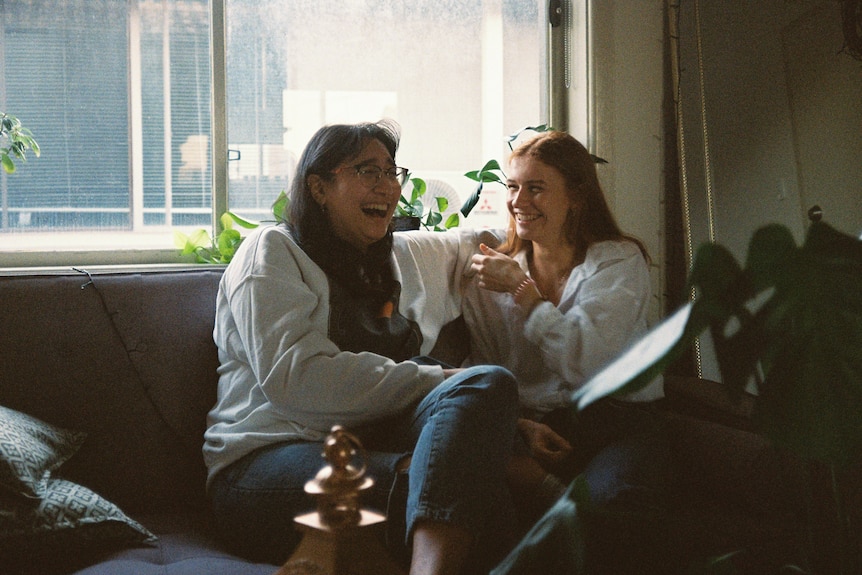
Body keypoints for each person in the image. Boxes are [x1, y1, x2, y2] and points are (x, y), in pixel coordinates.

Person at [203, 120, 521, 575]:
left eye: (392, 173)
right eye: (367, 171)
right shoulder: (271, 251)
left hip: (367, 447)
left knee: (488, 384)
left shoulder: (399, 257)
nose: (387, 187)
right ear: (319, 187)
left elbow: (481, 242)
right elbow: (298, 381)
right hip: (264, 462)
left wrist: (532, 276)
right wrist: (437, 377)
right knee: (471, 498)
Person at [461, 130, 668, 507]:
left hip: (616, 422)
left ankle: (567, 505)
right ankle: (555, 500)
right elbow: (488, 369)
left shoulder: (616, 262)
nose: (518, 201)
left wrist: (524, 293)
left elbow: (589, 364)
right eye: (512, 187)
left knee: (611, 501)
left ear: (575, 196)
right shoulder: (488, 278)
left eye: (536, 188)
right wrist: (521, 427)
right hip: (535, 428)